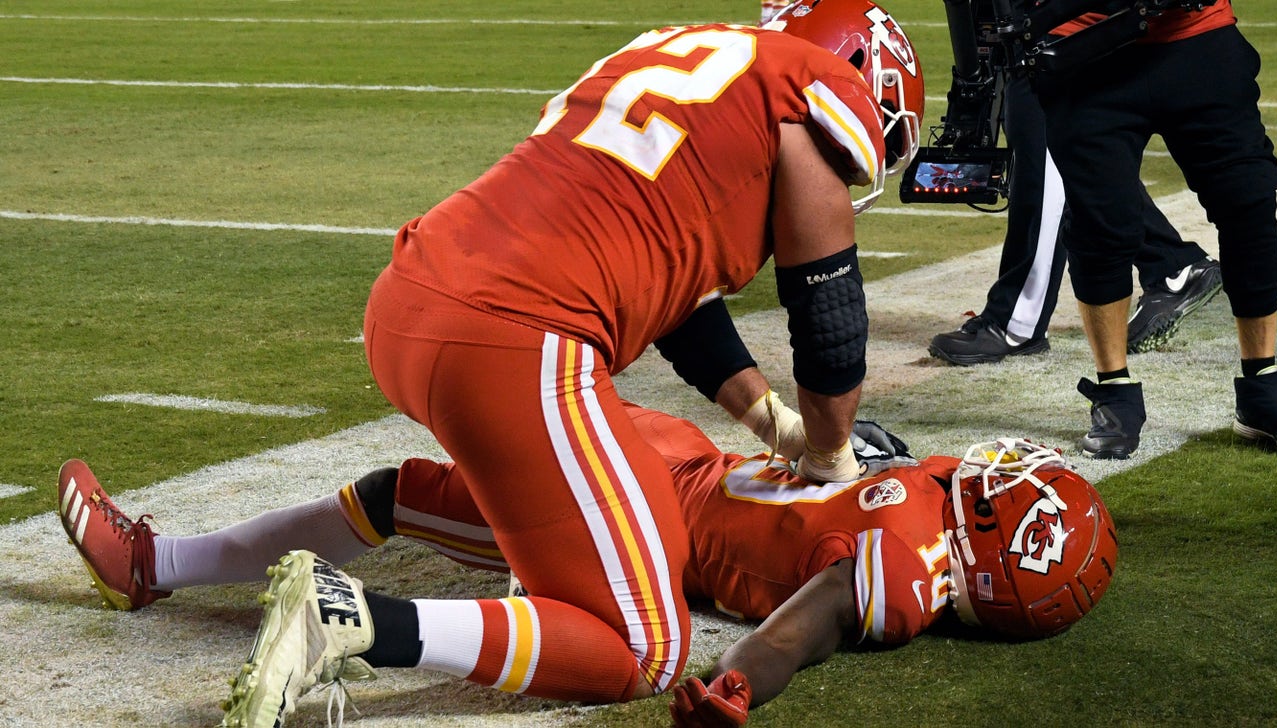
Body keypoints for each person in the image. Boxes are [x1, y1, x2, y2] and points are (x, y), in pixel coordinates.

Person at [235, 1, 925, 723]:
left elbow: (675, 294)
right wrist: (829, 452)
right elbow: (829, 323)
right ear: (858, 72)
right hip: (512, 339)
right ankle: (356, 621)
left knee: (642, 529)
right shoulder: (812, 94)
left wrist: (771, 422)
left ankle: (170, 561)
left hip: (408, 297)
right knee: (646, 646)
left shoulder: (685, 55)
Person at [56, 405, 1117, 726]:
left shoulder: (907, 565)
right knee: (482, 426)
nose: (1005, 468)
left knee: (403, 489)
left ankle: (157, 563)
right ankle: (164, 563)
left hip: (650, 514)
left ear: (992, 537)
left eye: (1015, 486)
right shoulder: (930, 502)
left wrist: (740, 681)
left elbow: (814, 614)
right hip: (686, 461)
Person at [1030, 1, 1277, 458]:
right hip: (1085, 48)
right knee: (1101, 222)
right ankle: (1115, 389)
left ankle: (1262, 385)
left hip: (1197, 34)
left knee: (1247, 199)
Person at [926, 0, 1222, 367]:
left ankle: (1016, 321)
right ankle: (1173, 264)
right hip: (1064, 25)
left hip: (1065, 28)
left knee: (1047, 150)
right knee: (1082, 159)